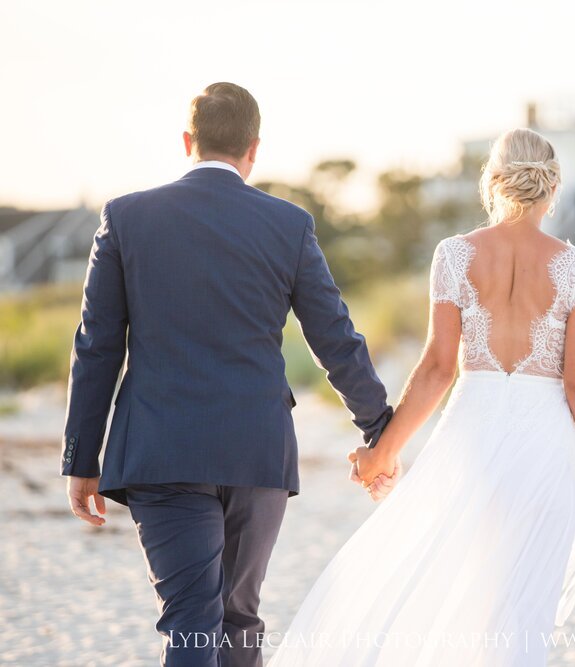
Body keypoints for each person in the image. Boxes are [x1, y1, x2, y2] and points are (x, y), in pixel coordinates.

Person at [268, 128, 575, 666]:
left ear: (491, 182)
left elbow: (437, 369)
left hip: (471, 433)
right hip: (543, 445)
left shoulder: (454, 255)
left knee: (453, 576)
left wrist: (384, 451)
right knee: (521, 597)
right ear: (552, 187)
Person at [61, 82, 398, 667]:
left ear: (188, 141)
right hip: (257, 453)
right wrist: (380, 430)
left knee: (193, 620)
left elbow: (97, 347)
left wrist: (81, 458)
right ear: (254, 149)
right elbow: (335, 340)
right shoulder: (288, 225)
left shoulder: (126, 216)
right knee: (239, 618)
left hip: (162, 450)